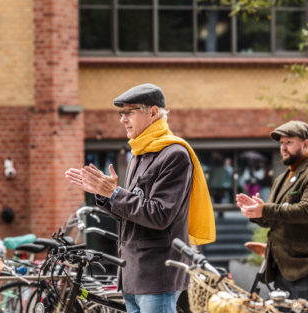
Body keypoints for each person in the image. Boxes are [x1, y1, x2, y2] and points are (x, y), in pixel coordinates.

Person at [65, 83, 215, 313]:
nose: (122, 119)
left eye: (129, 112)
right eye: (121, 113)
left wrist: (113, 193)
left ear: (153, 112)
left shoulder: (174, 154)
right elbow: (132, 213)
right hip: (132, 273)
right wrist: (104, 195)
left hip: (157, 276)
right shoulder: (138, 154)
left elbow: (159, 215)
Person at [236, 120, 308, 302]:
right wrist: (255, 211)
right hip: (284, 268)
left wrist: (265, 209)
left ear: (306, 144)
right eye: (281, 143)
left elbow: (307, 211)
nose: (283, 148)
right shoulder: (282, 178)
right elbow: (273, 218)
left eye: (289, 142)